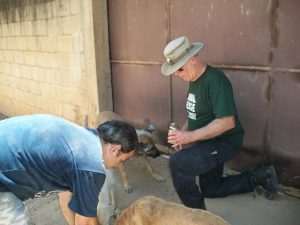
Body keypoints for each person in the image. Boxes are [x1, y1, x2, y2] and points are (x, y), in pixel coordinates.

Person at [161, 36, 278, 210]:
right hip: (206, 142)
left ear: (192, 60)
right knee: (210, 189)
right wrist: (182, 135)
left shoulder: (216, 81)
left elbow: (227, 122)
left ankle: (198, 217)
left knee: (178, 163)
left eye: (179, 69)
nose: (177, 74)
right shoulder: (193, 79)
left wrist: (190, 136)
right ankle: (261, 176)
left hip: (224, 142)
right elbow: (195, 114)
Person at [0, 114, 138, 225]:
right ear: (115, 150)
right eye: (121, 160)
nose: (117, 165)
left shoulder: (84, 139)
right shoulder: (91, 164)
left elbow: (66, 196)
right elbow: (86, 222)